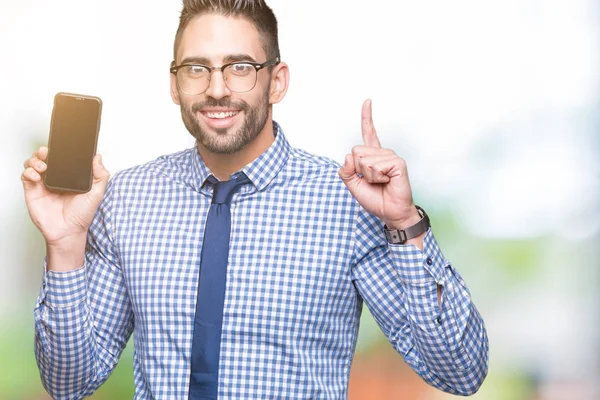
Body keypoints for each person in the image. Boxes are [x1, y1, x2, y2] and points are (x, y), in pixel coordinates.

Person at [22, 0, 489, 399]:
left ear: (277, 81)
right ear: (174, 84)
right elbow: (70, 383)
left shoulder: (347, 202)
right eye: (196, 68)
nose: (217, 87)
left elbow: (461, 372)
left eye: (240, 67)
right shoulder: (125, 200)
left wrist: (405, 223)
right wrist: (64, 245)